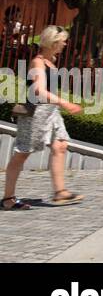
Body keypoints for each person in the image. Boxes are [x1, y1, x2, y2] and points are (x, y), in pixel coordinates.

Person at [2, 26, 84, 210]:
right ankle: (8, 199)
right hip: (36, 113)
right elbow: (38, 90)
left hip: (50, 112)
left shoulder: (50, 61)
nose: (65, 43)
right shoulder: (38, 63)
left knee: (60, 146)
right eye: (62, 40)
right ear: (53, 42)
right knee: (22, 154)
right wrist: (65, 103)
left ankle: (60, 192)